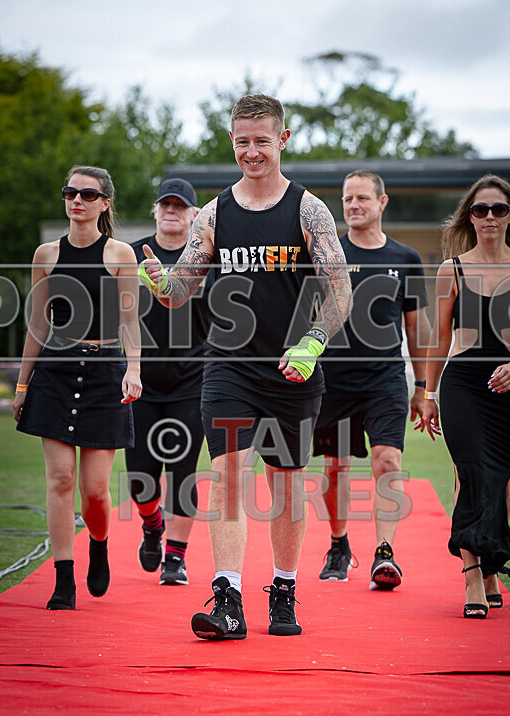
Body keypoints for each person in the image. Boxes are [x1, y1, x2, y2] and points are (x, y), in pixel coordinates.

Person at [140, 94, 352, 639]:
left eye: (262, 141)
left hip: (292, 367)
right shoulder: (214, 214)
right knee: (228, 475)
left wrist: (313, 342)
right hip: (228, 367)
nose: (251, 151)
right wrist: (159, 282)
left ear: (282, 139)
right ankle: (228, 600)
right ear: (231, 141)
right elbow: (180, 291)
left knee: (286, 484)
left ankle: (283, 592)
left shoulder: (308, 210)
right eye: (242, 142)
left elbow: (341, 292)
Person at [14, 166, 142, 610]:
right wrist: (23, 384)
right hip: (55, 371)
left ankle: (99, 544)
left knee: (95, 490)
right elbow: (37, 324)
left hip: (106, 374)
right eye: (71, 193)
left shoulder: (121, 253)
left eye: (88, 195)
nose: (77, 201)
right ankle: (63, 578)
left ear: (105, 203)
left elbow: (130, 320)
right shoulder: (46, 254)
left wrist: (134, 368)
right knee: (61, 479)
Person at [418, 174, 510, 618]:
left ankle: (490, 566)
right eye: (480, 209)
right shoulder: (452, 269)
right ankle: (471, 575)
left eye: (498, 209)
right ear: (469, 217)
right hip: (463, 385)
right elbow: (439, 338)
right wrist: (428, 393)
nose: (489, 216)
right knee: (468, 474)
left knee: (501, 482)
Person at [313, 170, 430, 588]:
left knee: (388, 461)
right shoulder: (328, 255)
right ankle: (338, 544)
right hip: (333, 381)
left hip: (385, 380)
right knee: (335, 469)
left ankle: (385, 554)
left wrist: (423, 388)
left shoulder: (406, 258)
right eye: (347, 199)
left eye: (362, 198)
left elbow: (416, 329)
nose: (353, 205)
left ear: (382, 203)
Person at [127, 178, 208, 585]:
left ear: (194, 214)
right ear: (155, 211)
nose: (171, 211)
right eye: (165, 204)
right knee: (140, 477)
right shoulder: (130, 255)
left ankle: (175, 558)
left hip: (191, 382)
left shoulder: (206, 259)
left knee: (182, 471)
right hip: (139, 381)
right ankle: (151, 523)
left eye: (180, 205)